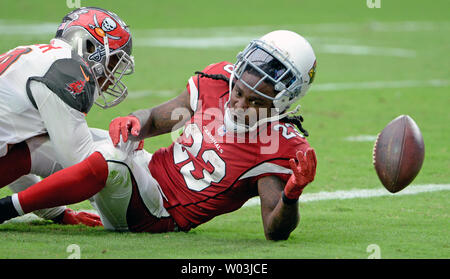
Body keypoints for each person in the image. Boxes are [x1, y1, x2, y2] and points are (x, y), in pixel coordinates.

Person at [0, 30, 317, 240]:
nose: (238, 101)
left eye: (254, 101)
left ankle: (6, 209)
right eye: (239, 90)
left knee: (112, 160)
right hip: (146, 173)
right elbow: (154, 118)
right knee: (50, 141)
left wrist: (292, 194)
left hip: (158, 214)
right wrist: (132, 122)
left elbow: (274, 231)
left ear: (283, 103)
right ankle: (53, 212)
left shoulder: (277, 144)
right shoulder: (218, 81)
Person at [0, 7, 134, 226]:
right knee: (110, 151)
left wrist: (56, 213)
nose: (112, 77)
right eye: (113, 62)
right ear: (90, 47)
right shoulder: (68, 70)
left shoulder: (36, 54)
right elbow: (82, 170)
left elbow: (13, 142)